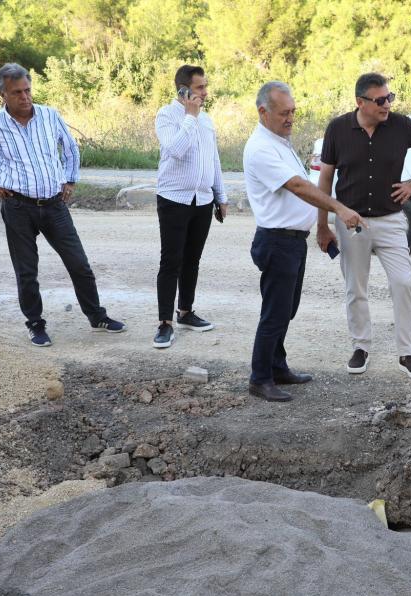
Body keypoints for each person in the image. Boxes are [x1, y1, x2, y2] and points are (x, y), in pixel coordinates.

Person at [0, 63, 125, 347]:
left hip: (54, 205)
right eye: (17, 92)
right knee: (27, 271)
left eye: (27, 90)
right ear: (3, 94)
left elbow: (71, 148)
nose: (25, 97)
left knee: (79, 264)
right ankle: (35, 324)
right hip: (17, 206)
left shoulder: (50, 116)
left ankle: (96, 316)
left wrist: (70, 181)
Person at [243, 81, 364, 402]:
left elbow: (305, 183)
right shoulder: (260, 147)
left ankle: (277, 366)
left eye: (293, 112)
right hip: (276, 241)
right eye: (284, 113)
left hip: (292, 241)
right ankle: (260, 378)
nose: (290, 118)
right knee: (275, 312)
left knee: (286, 310)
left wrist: (322, 226)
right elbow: (298, 186)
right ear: (263, 112)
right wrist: (338, 207)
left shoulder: (279, 142)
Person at [316, 73, 411, 379]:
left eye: (390, 97)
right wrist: (322, 224)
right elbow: (325, 178)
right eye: (380, 99)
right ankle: (361, 347)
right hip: (351, 221)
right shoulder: (337, 128)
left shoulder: (400, 125)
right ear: (360, 102)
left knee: (403, 283)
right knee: (355, 288)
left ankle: (406, 352)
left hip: (391, 220)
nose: (387, 104)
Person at [151, 64, 228, 349]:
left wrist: (221, 196)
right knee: (171, 261)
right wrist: (190, 118)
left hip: (203, 200)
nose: (205, 93)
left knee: (192, 260)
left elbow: (214, 160)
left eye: (205, 87)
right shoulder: (167, 115)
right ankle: (164, 323)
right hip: (174, 198)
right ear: (183, 90)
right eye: (199, 88)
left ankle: (185, 312)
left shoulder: (207, 120)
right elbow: (175, 149)